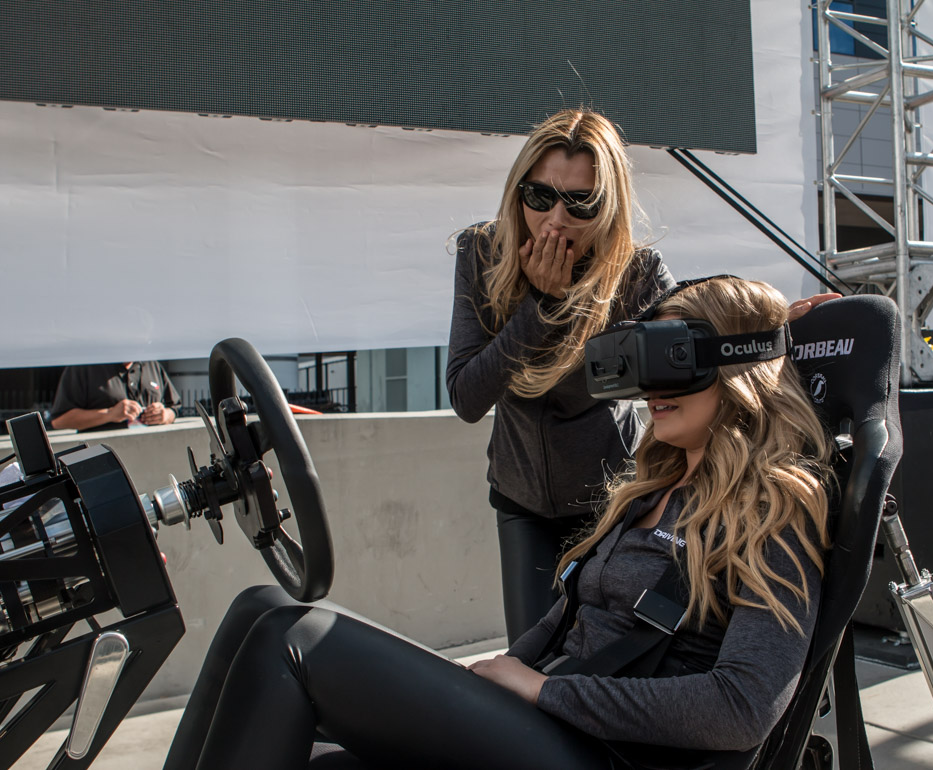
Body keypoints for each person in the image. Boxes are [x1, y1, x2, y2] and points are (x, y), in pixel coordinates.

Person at [163, 277, 833, 770]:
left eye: (674, 360)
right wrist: (496, 675)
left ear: (738, 369)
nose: (652, 387)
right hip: (550, 725)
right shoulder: (649, 491)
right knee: (260, 608)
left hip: (613, 756)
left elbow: (743, 707)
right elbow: (565, 621)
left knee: (292, 637)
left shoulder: (776, 509)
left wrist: (546, 691)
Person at [446, 108, 676, 641]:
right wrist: (540, 304)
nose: (555, 219)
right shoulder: (482, 252)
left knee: (598, 656)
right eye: (540, 196)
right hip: (521, 498)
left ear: (607, 205)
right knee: (530, 653)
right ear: (518, 192)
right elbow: (466, 396)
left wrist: (771, 322)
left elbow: (696, 332)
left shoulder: (634, 270)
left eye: (580, 203)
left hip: (612, 501)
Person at [49, 361, 181, 431]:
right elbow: (59, 421)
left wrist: (164, 416)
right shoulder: (85, 366)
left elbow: (174, 408)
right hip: (105, 463)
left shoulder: (152, 365)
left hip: (151, 457)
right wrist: (109, 414)